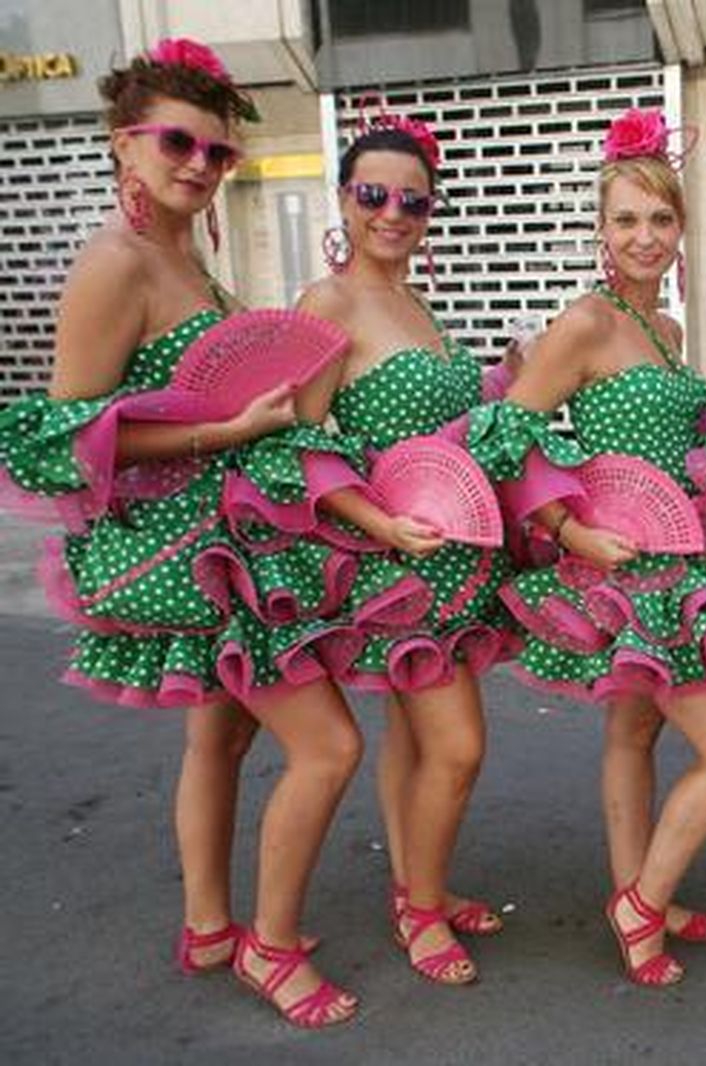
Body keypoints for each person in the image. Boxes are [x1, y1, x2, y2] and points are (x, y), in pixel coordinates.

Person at [0, 38, 362, 1028]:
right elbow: (61, 434)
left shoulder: (181, 250)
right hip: (183, 547)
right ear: (126, 145)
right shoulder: (115, 262)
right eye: (178, 143)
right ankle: (270, 949)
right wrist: (225, 429)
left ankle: (210, 923)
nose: (199, 165)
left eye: (219, 154)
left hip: (230, 532)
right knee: (327, 748)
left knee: (224, 733)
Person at [468, 107, 706, 986]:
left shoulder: (669, 334)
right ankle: (641, 905)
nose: (646, 237)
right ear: (600, 229)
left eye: (661, 219)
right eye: (627, 219)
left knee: (635, 732)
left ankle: (639, 892)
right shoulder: (586, 324)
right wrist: (565, 527)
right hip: (622, 572)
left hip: (680, 561)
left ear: (682, 229)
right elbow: (505, 436)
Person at [291, 110, 514, 985]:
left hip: (454, 559)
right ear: (343, 200)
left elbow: (430, 418)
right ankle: (420, 914)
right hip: (393, 567)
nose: (393, 213)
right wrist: (378, 524)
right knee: (457, 747)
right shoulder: (328, 304)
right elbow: (296, 445)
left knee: (414, 743)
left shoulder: (413, 299)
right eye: (373, 194)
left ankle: (415, 884)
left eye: (413, 200)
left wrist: (501, 379)